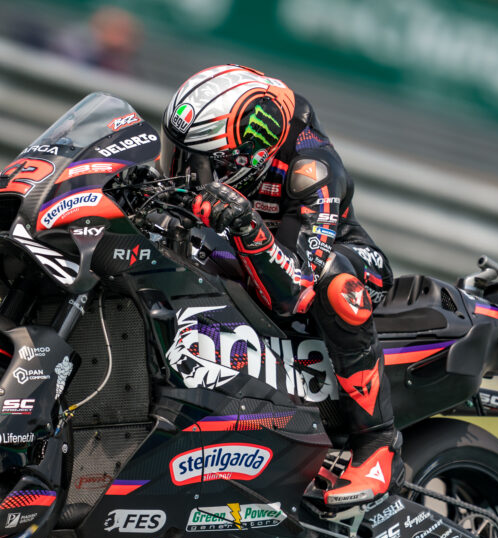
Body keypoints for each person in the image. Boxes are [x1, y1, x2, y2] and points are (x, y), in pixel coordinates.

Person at [157, 65, 402, 508]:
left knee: (336, 285)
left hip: (338, 261)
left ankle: (377, 444)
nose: (186, 172)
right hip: (252, 250)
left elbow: (295, 292)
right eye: (179, 155)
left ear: (245, 157)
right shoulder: (234, 154)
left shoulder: (312, 169)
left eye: (199, 162)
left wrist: (246, 225)